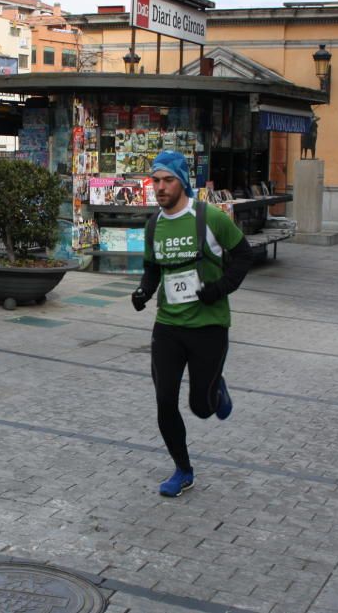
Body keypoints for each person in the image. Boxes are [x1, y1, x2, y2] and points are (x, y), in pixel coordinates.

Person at [131, 151, 252, 498]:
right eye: (155, 180)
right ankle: (183, 470)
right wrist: (143, 291)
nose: (160, 187)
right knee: (164, 401)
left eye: (167, 180)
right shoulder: (154, 224)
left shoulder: (209, 217)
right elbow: (153, 268)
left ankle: (216, 388)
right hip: (168, 326)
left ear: (182, 181)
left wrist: (219, 289)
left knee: (201, 407)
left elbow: (243, 255)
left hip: (210, 326)